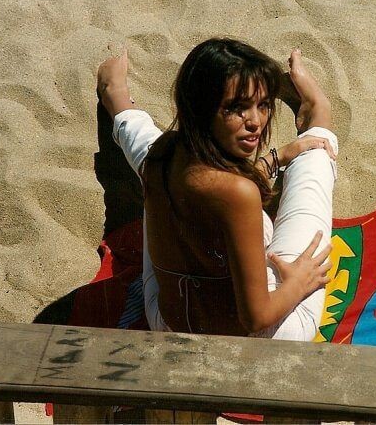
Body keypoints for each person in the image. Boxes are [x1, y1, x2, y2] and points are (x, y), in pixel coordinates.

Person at [97, 38, 338, 341]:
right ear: (202, 108)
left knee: (148, 153)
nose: (256, 122)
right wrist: (298, 283)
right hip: (245, 343)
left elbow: (210, 185)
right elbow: (255, 318)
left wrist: (273, 159)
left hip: (165, 322)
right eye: (237, 108)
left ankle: (116, 96)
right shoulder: (239, 194)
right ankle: (317, 112)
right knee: (317, 156)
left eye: (263, 105)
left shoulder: (162, 155)